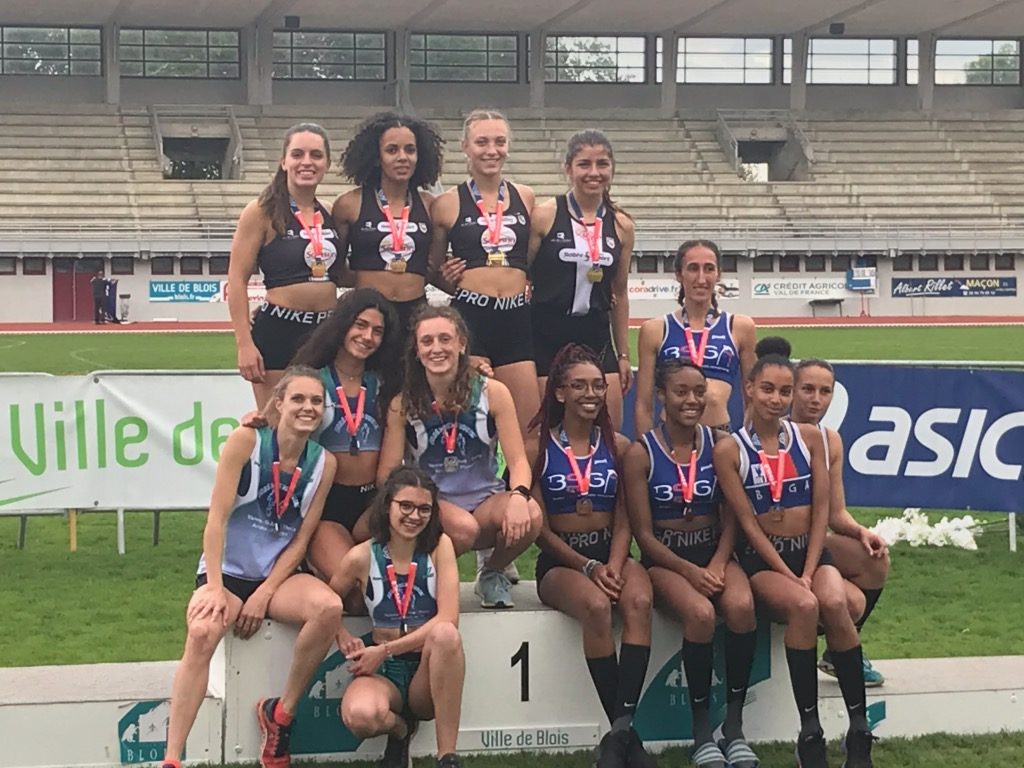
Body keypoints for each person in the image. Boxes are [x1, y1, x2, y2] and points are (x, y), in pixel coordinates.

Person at [161, 366, 340, 768]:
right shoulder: (246, 440)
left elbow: (301, 539)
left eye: (316, 401)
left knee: (328, 608)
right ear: (278, 403)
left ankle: (281, 715)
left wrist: (264, 593)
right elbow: (216, 520)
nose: (307, 407)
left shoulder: (324, 463)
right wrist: (213, 587)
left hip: (274, 577)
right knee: (203, 632)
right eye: (298, 399)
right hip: (225, 572)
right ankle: (172, 758)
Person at [713, 355, 874, 768]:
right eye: (767, 389)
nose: (777, 398)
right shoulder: (730, 448)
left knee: (835, 603)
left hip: (809, 553)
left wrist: (808, 568)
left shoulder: (809, 439)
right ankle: (810, 732)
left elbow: (822, 507)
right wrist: (790, 575)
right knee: (805, 606)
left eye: (785, 391)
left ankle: (859, 731)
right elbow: (747, 523)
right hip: (765, 560)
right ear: (749, 388)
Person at [624, 358, 758, 768]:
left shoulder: (720, 444)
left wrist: (718, 562)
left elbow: (733, 515)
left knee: (741, 607)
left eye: (699, 392)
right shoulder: (640, 452)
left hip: (713, 553)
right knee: (700, 613)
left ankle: (734, 728)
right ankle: (701, 733)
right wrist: (689, 571)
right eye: (681, 391)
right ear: (662, 395)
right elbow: (642, 535)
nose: (692, 400)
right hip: (666, 561)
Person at [530, 343, 656, 768]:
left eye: (598, 385)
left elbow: (625, 520)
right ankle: (626, 734)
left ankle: (619, 734)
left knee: (638, 599)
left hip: (612, 553)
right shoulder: (538, 448)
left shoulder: (618, 445)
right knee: (597, 606)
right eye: (579, 386)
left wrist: (614, 565)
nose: (591, 393)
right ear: (560, 393)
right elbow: (540, 531)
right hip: (563, 562)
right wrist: (587, 566)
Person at [377, 304, 542, 608]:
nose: (436, 349)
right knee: (464, 529)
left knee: (531, 514)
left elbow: (518, 460)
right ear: (416, 349)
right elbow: (387, 474)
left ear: (462, 344)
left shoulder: (493, 392)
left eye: (445, 339)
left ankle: (491, 572)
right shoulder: (403, 403)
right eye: (427, 341)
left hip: (485, 503)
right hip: (435, 507)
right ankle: (422, 575)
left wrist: (519, 495)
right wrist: (416, 504)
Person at [330, 466, 465, 768]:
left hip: (425, 670)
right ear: (387, 504)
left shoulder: (439, 547)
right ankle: (401, 730)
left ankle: (448, 758)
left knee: (446, 634)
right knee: (361, 716)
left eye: (424, 509)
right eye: (406, 506)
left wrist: (386, 649)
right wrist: (342, 634)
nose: (414, 516)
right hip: (383, 672)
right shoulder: (362, 556)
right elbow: (327, 605)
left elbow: (448, 617)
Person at [428, 108, 540, 439]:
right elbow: (431, 269)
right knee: (473, 425)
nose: (491, 150)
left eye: (499, 142)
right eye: (482, 142)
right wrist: (444, 279)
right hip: (471, 317)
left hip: (517, 317)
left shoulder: (526, 196)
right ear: (465, 146)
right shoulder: (447, 204)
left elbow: (532, 259)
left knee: (529, 427)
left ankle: (519, 490)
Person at [288, 288, 402, 583]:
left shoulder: (386, 383)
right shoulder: (313, 377)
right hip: (327, 505)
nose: (367, 337)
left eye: (377, 331)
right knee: (355, 590)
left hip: (371, 503)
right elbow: (277, 422)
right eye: (360, 325)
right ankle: (315, 570)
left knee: (380, 587)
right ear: (342, 325)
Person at [790, 356, 890, 687]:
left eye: (824, 391)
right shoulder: (769, 432)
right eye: (807, 389)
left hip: (815, 541)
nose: (816, 399)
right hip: (779, 544)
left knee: (875, 558)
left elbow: (836, 513)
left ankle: (841, 651)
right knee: (851, 601)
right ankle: (839, 644)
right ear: (791, 390)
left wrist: (862, 532)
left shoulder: (831, 439)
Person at [227, 123, 341, 408]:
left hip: (326, 331)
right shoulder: (261, 211)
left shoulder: (329, 211)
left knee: (324, 420)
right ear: (283, 160)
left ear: (326, 163)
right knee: (277, 424)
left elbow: (342, 272)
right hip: (279, 329)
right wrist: (244, 344)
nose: (307, 162)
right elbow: (237, 279)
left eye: (316, 155)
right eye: (298, 154)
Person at [528, 129, 635, 430]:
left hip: (596, 336)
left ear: (612, 168)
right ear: (568, 169)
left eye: (602, 164)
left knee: (609, 433)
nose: (594, 172)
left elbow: (621, 293)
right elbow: (520, 273)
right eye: (584, 164)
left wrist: (624, 353)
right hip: (545, 335)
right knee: (543, 432)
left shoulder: (622, 225)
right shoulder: (545, 215)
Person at [332, 112, 445, 331]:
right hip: (366, 313)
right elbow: (336, 269)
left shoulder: (431, 205)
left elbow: (433, 268)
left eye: (410, 150)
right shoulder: (349, 204)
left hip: (415, 311)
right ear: (376, 157)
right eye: (392, 150)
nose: (403, 157)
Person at [635, 240, 756, 434]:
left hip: (720, 437)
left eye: (709, 269)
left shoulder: (740, 327)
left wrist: (749, 445)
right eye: (693, 268)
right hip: (671, 437)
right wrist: (649, 451)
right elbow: (643, 404)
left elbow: (752, 399)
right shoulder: (655, 329)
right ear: (679, 274)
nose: (701, 278)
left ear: (718, 274)